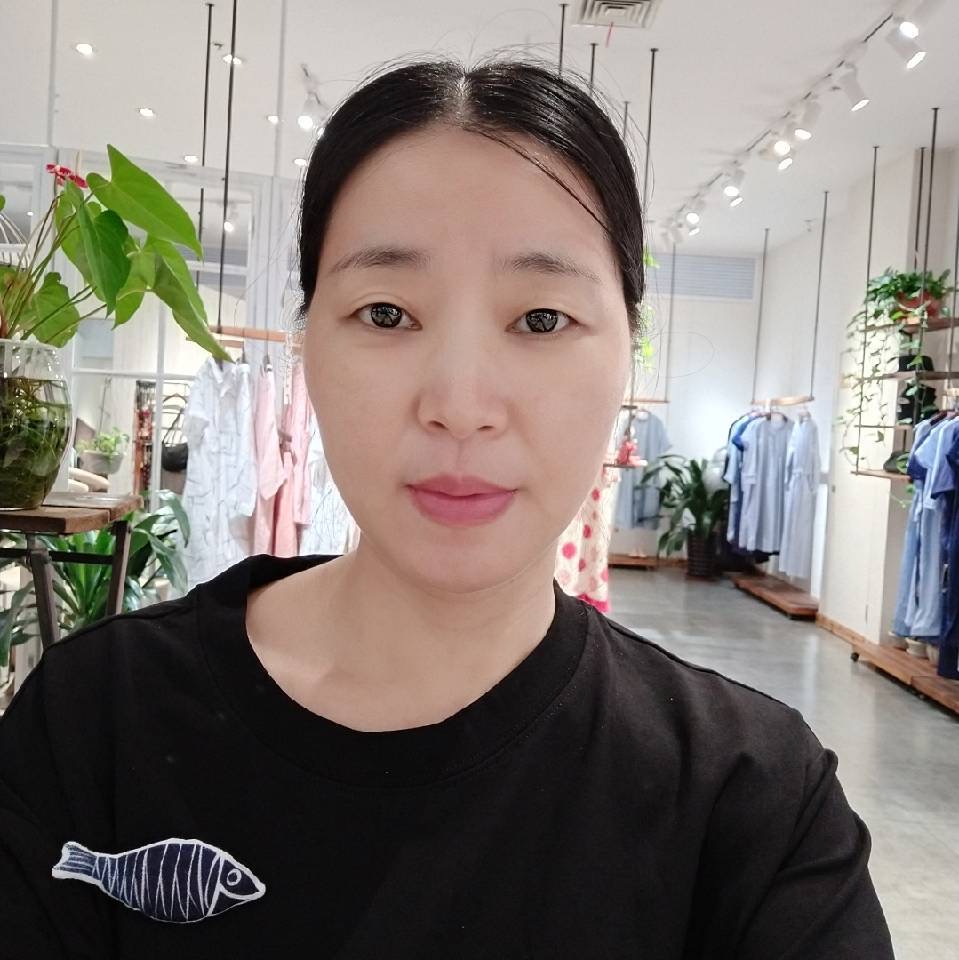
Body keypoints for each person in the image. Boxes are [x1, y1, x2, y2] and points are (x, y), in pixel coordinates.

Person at [0, 57, 892, 958]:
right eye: (386, 313)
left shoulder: (748, 800)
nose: (460, 404)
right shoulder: (98, 720)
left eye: (541, 319)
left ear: (628, 355)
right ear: (307, 347)